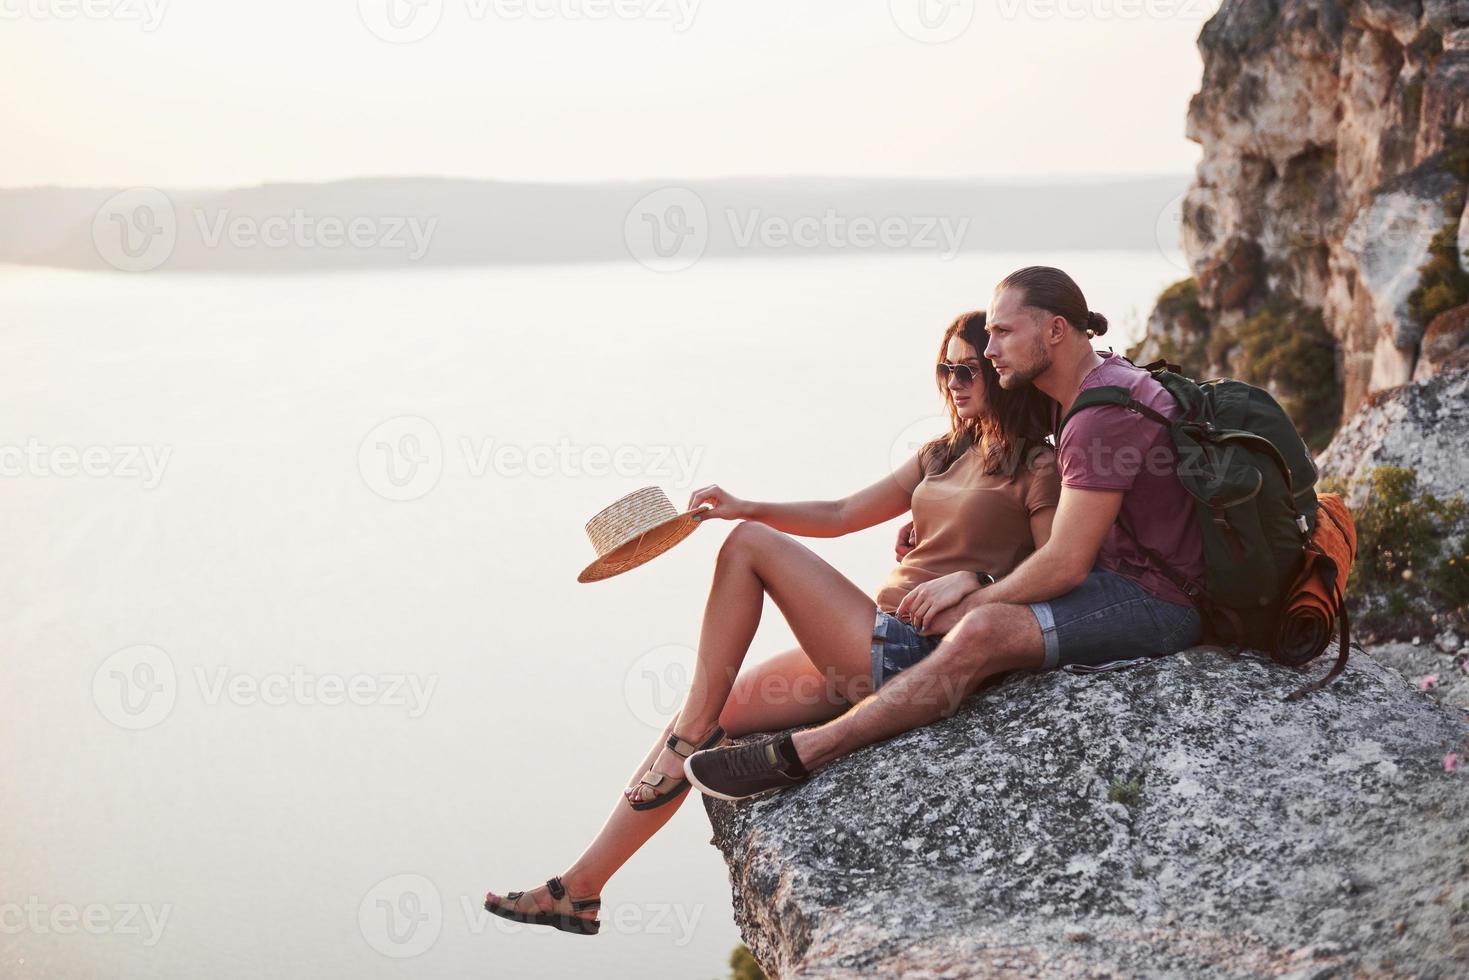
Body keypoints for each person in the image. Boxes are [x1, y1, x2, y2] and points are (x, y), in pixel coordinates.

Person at [482, 310, 1060, 935]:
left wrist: (977, 581)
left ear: (1003, 372)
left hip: (915, 656)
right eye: (944, 368)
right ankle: (581, 889)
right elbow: (841, 512)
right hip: (861, 647)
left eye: (968, 368)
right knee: (715, 713)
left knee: (749, 548)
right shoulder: (941, 455)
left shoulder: (1038, 468)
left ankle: (684, 741)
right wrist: (744, 502)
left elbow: (1060, 570)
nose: (953, 380)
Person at [684, 265, 1205, 803]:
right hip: (1115, 577)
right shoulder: (1077, 391)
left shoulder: (1099, 414)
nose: (992, 345)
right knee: (981, 622)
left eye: (1003, 333)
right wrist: (942, 520)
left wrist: (976, 593)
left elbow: (1065, 563)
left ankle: (811, 751)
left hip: (1155, 600)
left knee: (981, 629)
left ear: (1055, 331)